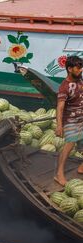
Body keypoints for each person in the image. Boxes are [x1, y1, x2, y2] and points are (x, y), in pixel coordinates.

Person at [55, 55, 83, 185]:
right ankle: (59, 174)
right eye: (78, 68)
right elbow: (60, 108)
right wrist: (59, 126)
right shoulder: (64, 87)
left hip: (82, 118)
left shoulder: (80, 80)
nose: (81, 70)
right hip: (71, 121)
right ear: (70, 69)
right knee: (69, 146)